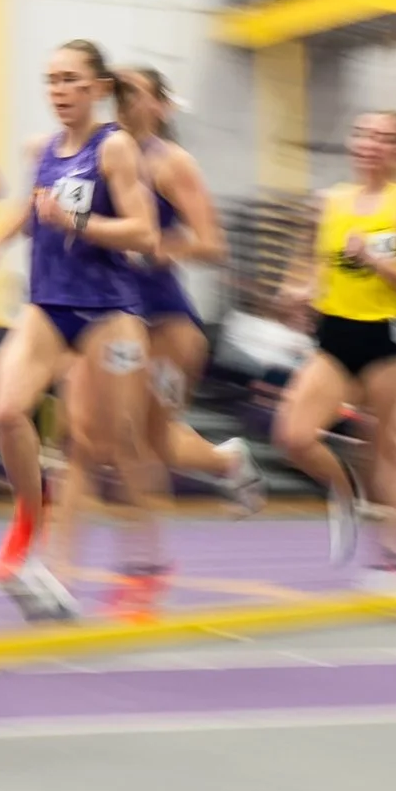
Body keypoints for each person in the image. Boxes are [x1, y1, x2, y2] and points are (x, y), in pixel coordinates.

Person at [0, 41, 163, 620]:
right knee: (6, 413)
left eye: (70, 79)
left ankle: (125, 565)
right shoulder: (43, 148)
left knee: (106, 444)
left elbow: (145, 235)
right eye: (50, 79)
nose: (57, 90)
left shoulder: (116, 148)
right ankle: (33, 519)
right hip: (48, 305)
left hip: (110, 315)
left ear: (98, 88)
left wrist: (80, 220)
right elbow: (32, 207)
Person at [272, 113, 396, 587]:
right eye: (364, 135)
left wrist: (377, 262)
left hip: (385, 341)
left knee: (390, 460)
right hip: (334, 338)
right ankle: (345, 492)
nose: (372, 145)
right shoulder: (329, 203)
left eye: (386, 139)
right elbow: (308, 265)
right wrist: (297, 292)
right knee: (295, 436)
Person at [113, 67, 265, 529]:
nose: (122, 99)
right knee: (125, 432)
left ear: (159, 106)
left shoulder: (172, 162)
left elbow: (213, 244)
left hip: (167, 324)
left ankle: (146, 557)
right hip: (116, 319)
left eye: (134, 92)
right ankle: (227, 462)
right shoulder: (103, 154)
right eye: (117, 89)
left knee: (148, 438)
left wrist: (161, 245)